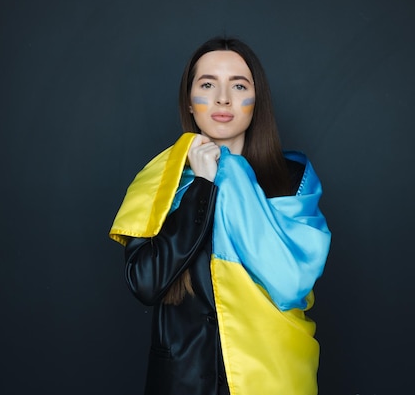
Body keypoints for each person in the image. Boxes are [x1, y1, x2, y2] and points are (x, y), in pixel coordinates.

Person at [109, 37, 331, 395]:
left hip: (273, 375)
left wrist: (230, 177)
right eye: (208, 84)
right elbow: (145, 283)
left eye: (239, 85)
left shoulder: (291, 179)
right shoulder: (161, 181)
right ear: (189, 102)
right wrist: (202, 185)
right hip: (184, 380)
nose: (223, 98)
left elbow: (292, 281)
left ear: (256, 102)